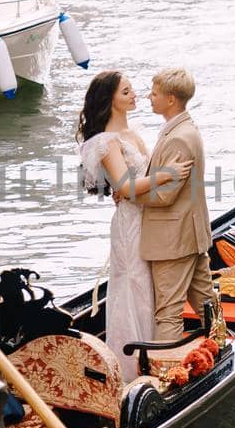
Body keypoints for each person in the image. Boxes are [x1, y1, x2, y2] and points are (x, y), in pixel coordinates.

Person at [77, 71, 192, 377]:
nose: (134, 95)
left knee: (152, 290)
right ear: (110, 100)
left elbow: (136, 182)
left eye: (131, 90)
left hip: (150, 219)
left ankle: (155, 356)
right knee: (133, 290)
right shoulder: (106, 142)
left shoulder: (135, 135)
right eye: (125, 92)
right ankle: (130, 370)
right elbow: (126, 187)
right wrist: (169, 174)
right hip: (130, 224)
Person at [138, 68, 215, 345]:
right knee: (208, 304)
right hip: (190, 234)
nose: (149, 96)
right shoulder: (184, 129)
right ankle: (221, 345)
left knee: (168, 313)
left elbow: (164, 196)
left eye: (154, 93)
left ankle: (166, 375)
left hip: (173, 240)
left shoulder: (179, 137)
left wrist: (128, 194)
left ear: (171, 99)